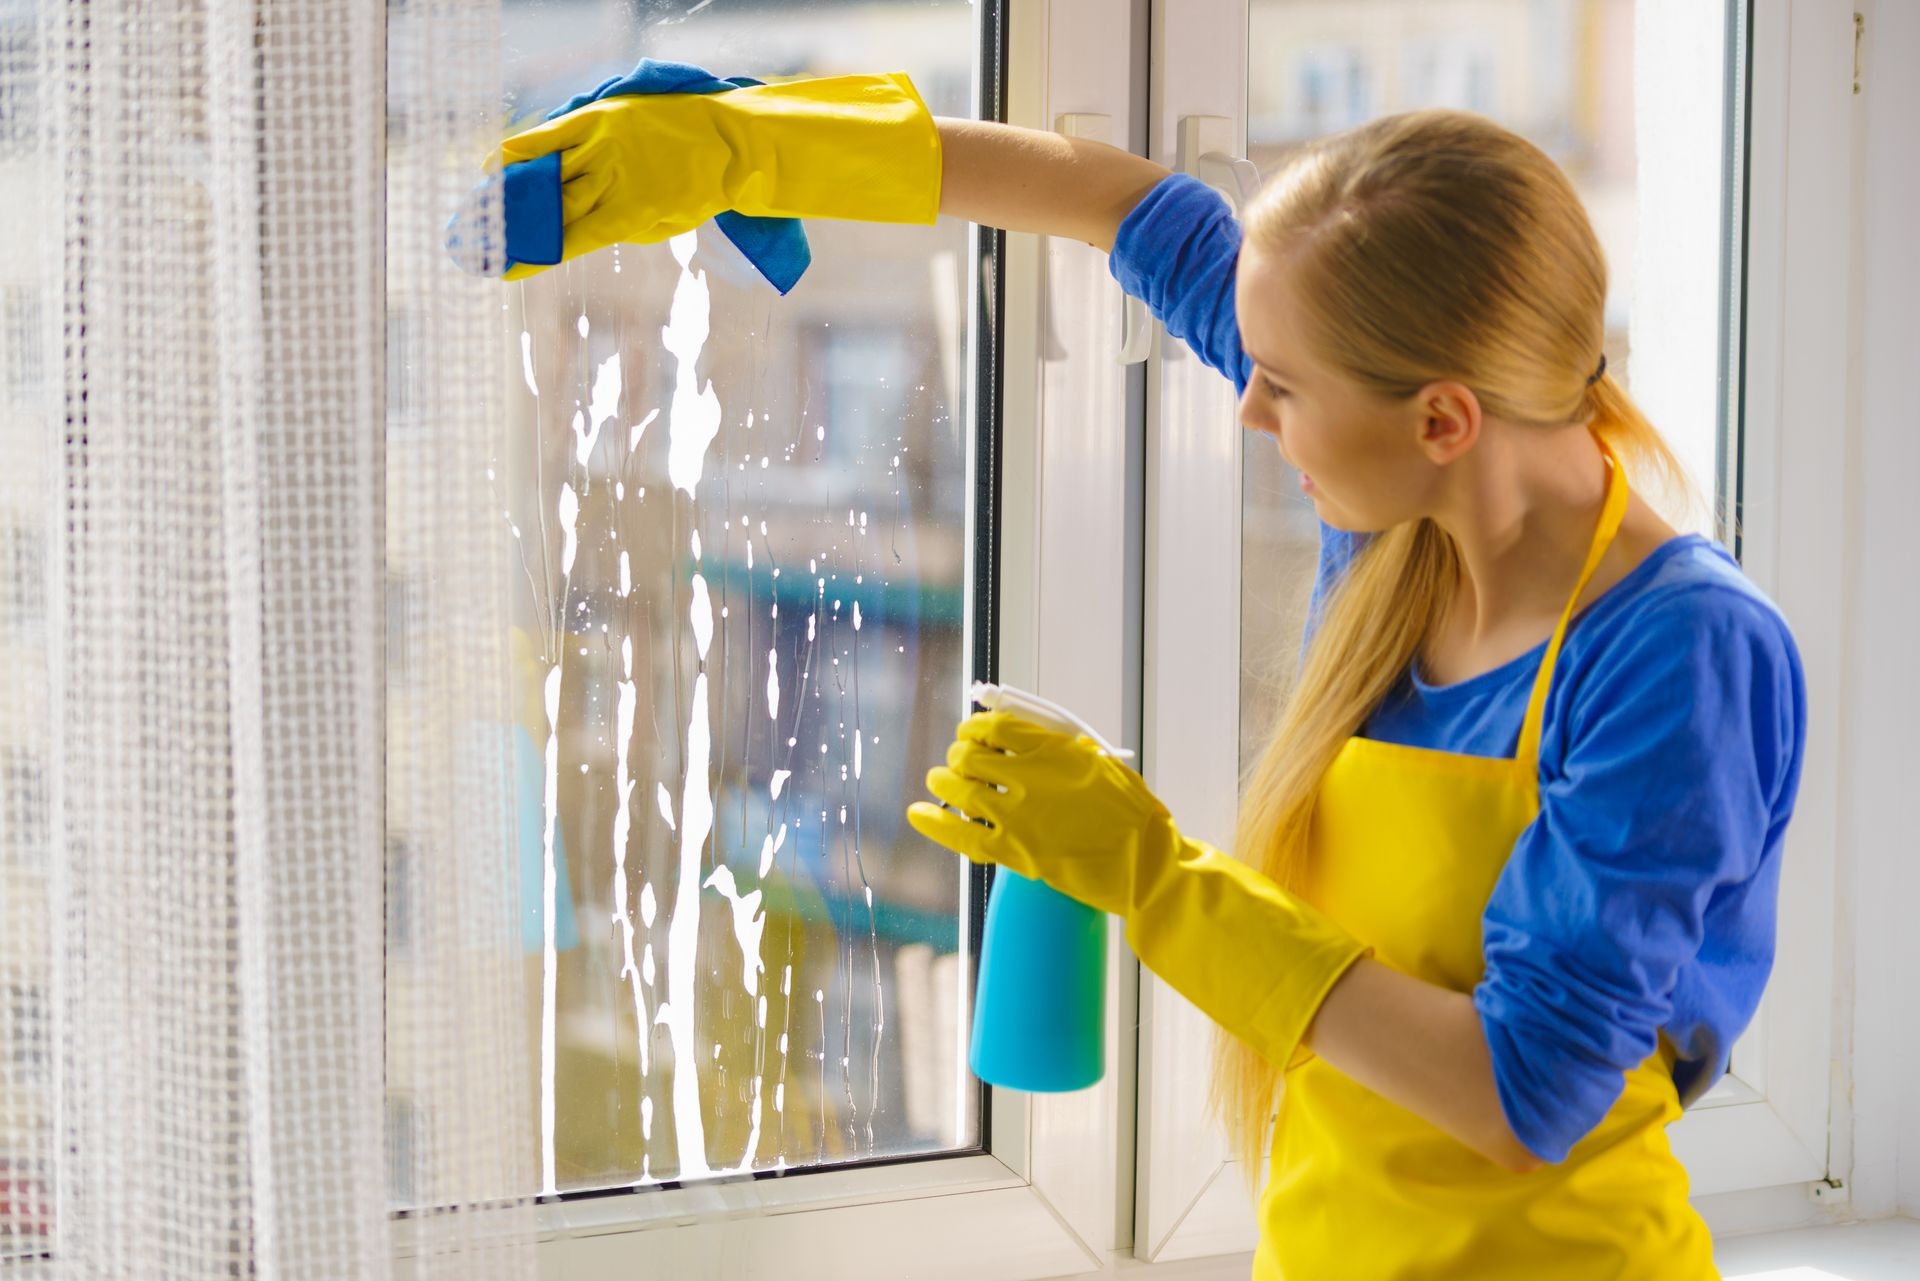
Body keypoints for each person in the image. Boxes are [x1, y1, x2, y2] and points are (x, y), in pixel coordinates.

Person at [495, 70, 1807, 1280]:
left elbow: (1523, 1092)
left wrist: (1151, 875)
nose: (1249, 408)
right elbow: (1114, 200)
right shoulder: (1406, 488)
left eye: (1280, 387)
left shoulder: (1676, 653)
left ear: (1445, 417)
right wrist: (755, 146)